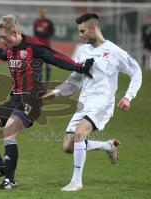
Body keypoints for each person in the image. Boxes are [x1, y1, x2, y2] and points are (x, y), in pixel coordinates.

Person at [0, 15, 94, 190]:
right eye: (0, 37)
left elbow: (55, 57)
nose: (1, 40)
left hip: (32, 101)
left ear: (15, 32)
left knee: (8, 132)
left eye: (4, 37)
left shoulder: (32, 47)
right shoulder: (10, 49)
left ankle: (10, 181)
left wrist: (79, 67)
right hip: (14, 100)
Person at [42, 13, 142, 191]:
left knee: (80, 133)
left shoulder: (115, 51)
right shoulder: (83, 51)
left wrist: (128, 96)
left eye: (82, 31)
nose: (80, 35)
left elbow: (136, 71)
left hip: (102, 102)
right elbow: (76, 78)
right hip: (84, 102)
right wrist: (57, 93)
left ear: (93, 28)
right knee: (68, 146)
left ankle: (76, 182)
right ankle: (107, 145)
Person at [34, 7, 54, 82]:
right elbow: (35, 33)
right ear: (40, 13)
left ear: (46, 13)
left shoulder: (49, 22)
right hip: (38, 46)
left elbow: (52, 33)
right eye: (41, 12)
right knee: (38, 64)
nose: (43, 14)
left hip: (46, 46)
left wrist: (44, 33)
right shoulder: (36, 22)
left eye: (44, 12)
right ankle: (39, 81)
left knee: (48, 64)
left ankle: (47, 81)